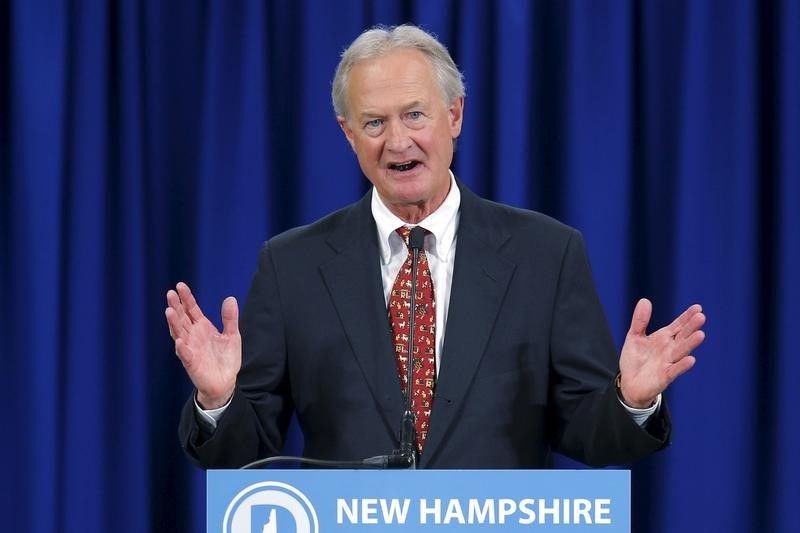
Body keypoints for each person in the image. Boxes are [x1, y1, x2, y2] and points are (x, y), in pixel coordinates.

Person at [165, 24, 705, 469]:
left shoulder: (547, 254)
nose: (397, 141)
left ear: (455, 116)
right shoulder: (291, 266)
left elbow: (592, 434)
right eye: (373, 122)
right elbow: (246, 450)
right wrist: (219, 401)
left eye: (414, 115)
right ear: (348, 135)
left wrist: (630, 401)